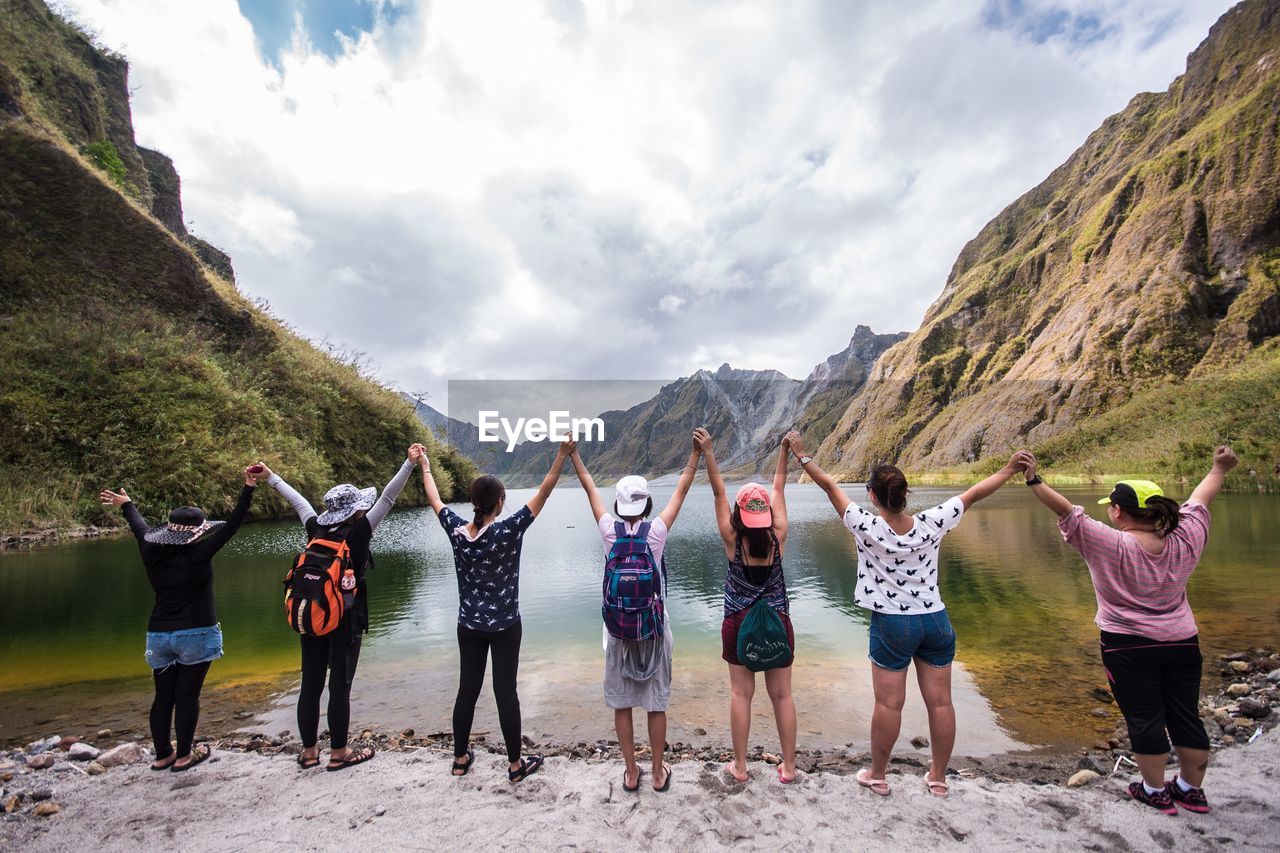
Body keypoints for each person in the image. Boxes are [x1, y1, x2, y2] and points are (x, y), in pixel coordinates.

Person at [787, 432, 1023, 798]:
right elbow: (975, 493)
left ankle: (878, 775)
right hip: (935, 620)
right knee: (941, 702)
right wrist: (1009, 469)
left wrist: (802, 455)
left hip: (893, 623)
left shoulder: (866, 526)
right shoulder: (932, 522)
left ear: (873, 496)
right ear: (904, 493)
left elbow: (829, 485)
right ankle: (939, 778)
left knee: (888, 703)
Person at [1020, 446, 1237, 815]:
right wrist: (1220, 467)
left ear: (1118, 511)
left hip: (1127, 646)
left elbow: (1065, 511)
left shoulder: (1109, 543)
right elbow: (1202, 496)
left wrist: (1033, 479)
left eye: (1111, 505)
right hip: (1182, 641)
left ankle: (1154, 790)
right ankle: (1189, 789)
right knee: (1185, 714)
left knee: (1144, 716)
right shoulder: (1186, 537)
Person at [257, 446, 422, 772]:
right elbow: (388, 498)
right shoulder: (359, 531)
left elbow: (299, 501)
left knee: (311, 685)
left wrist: (271, 478)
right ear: (357, 509)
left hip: (314, 614)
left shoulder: (316, 527)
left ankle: (308, 753)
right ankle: (339, 753)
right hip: (346, 618)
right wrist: (409, 463)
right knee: (340, 686)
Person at [418, 440, 573, 782]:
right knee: (506, 692)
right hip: (505, 626)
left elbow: (434, 499)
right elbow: (544, 493)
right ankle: (516, 766)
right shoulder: (508, 530)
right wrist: (562, 455)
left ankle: (460, 759)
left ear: (475, 502)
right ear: (500, 503)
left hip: (469, 625)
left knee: (467, 691)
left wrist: (426, 466)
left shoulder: (458, 531)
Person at [567, 431, 702, 793]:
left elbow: (589, 489)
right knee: (655, 705)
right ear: (646, 504)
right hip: (654, 631)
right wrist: (694, 455)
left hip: (617, 632)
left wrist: (575, 456)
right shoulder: (655, 532)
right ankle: (658, 773)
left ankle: (630, 772)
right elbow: (681, 492)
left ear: (618, 504)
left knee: (622, 705)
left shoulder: (609, 531)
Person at [99, 466, 259, 771]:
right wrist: (248, 488)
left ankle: (163, 754)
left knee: (163, 697)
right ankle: (185, 753)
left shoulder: (150, 549)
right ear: (198, 531)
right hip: (196, 633)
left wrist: (127, 505)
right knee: (188, 695)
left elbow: (138, 526)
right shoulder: (199, 553)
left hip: (159, 635)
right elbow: (234, 524)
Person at [702, 429, 798, 784]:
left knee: (741, 694)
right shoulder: (779, 537)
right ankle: (788, 767)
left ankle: (740, 767)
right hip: (777, 621)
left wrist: (709, 452)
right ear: (766, 515)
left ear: (740, 516)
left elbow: (718, 492)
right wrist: (785, 452)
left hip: (737, 622)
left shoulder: (732, 542)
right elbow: (779, 489)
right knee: (783, 695)